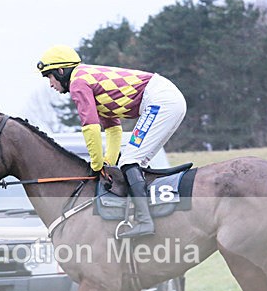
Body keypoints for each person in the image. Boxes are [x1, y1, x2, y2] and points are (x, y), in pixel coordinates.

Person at [37, 44, 187, 238]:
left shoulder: (78, 82)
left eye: (49, 76)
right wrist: (107, 161)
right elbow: (113, 129)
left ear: (61, 71)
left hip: (160, 100)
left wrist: (97, 164)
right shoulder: (90, 81)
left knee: (130, 160)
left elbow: (90, 127)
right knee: (132, 161)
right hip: (164, 97)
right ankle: (149, 214)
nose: (50, 84)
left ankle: (145, 221)